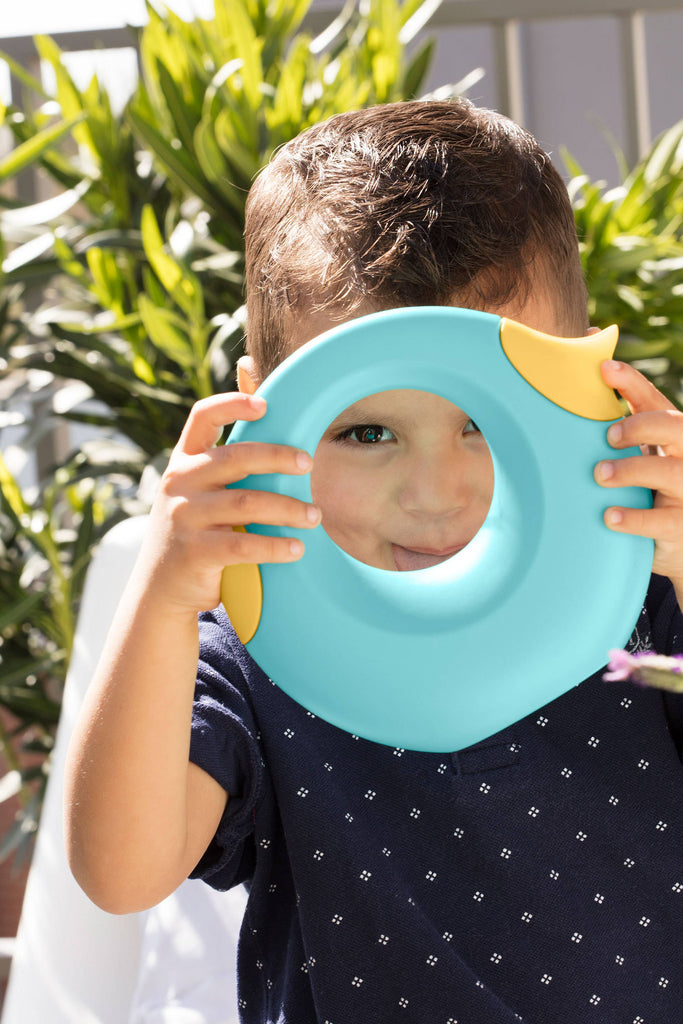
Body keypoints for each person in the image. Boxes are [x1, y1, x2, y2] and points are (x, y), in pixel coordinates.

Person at [65, 101, 683, 1024]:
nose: (434, 492)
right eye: (364, 430)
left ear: (592, 388)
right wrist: (161, 601)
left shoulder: (642, 608)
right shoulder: (257, 648)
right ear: (260, 414)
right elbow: (121, 875)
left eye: (486, 422)